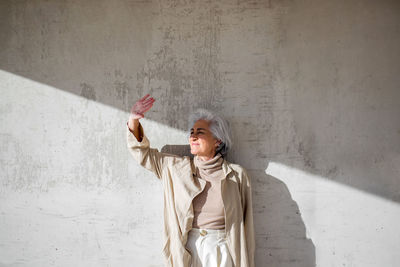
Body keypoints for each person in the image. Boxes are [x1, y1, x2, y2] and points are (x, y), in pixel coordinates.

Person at [126, 94, 255, 267]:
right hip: (187, 250)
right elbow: (143, 154)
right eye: (191, 132)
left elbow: (246, 228)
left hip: (222, 251)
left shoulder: (237, 176)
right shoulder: (175, 168)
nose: (193, 137)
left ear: (217, 140)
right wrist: (134, 120)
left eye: (200, 133)